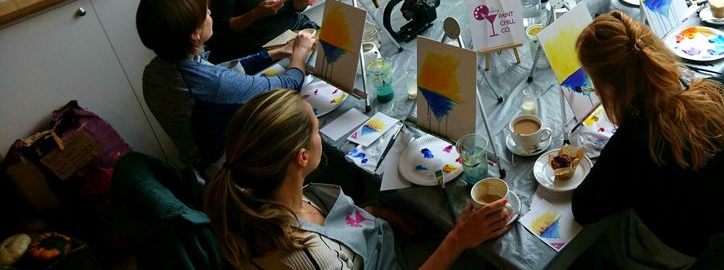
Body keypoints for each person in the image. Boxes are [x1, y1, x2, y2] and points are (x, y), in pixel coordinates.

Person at [205, 89, 513, 269]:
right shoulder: (312, 258)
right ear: (301, 157)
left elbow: (327, 221)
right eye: (316, 128)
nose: (320, 135)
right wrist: (459, 238)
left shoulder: (268, 193)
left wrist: (375, 214)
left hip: (378, 239)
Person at [572, 11, 724, 266]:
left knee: (593, 244)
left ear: (607, 87)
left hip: (687, 251)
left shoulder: (637, 139)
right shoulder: (721, 90)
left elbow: (584, 209)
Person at [137, 0, 316, 176]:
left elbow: (222, 72)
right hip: (225, 170)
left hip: (199, 160)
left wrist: (276, 53)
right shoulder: (208, 82)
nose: (210, 13)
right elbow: (288, 85)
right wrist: (299, 52)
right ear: (195, 35)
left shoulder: (156, 69)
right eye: (206, 12)